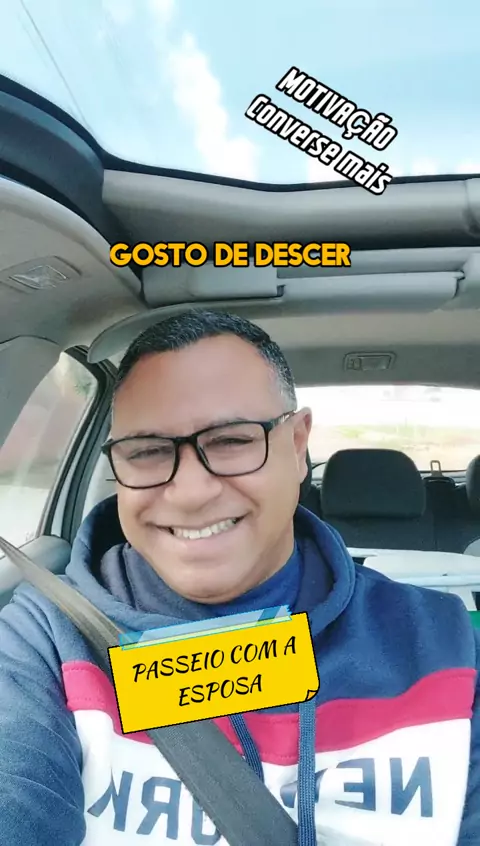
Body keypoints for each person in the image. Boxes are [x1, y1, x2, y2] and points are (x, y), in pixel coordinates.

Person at [0, 309, 478, 846]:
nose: (191, 493)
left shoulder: (448, 646)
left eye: (231, 441)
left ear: (297, 446)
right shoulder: (43, 641)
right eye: (147, 452)